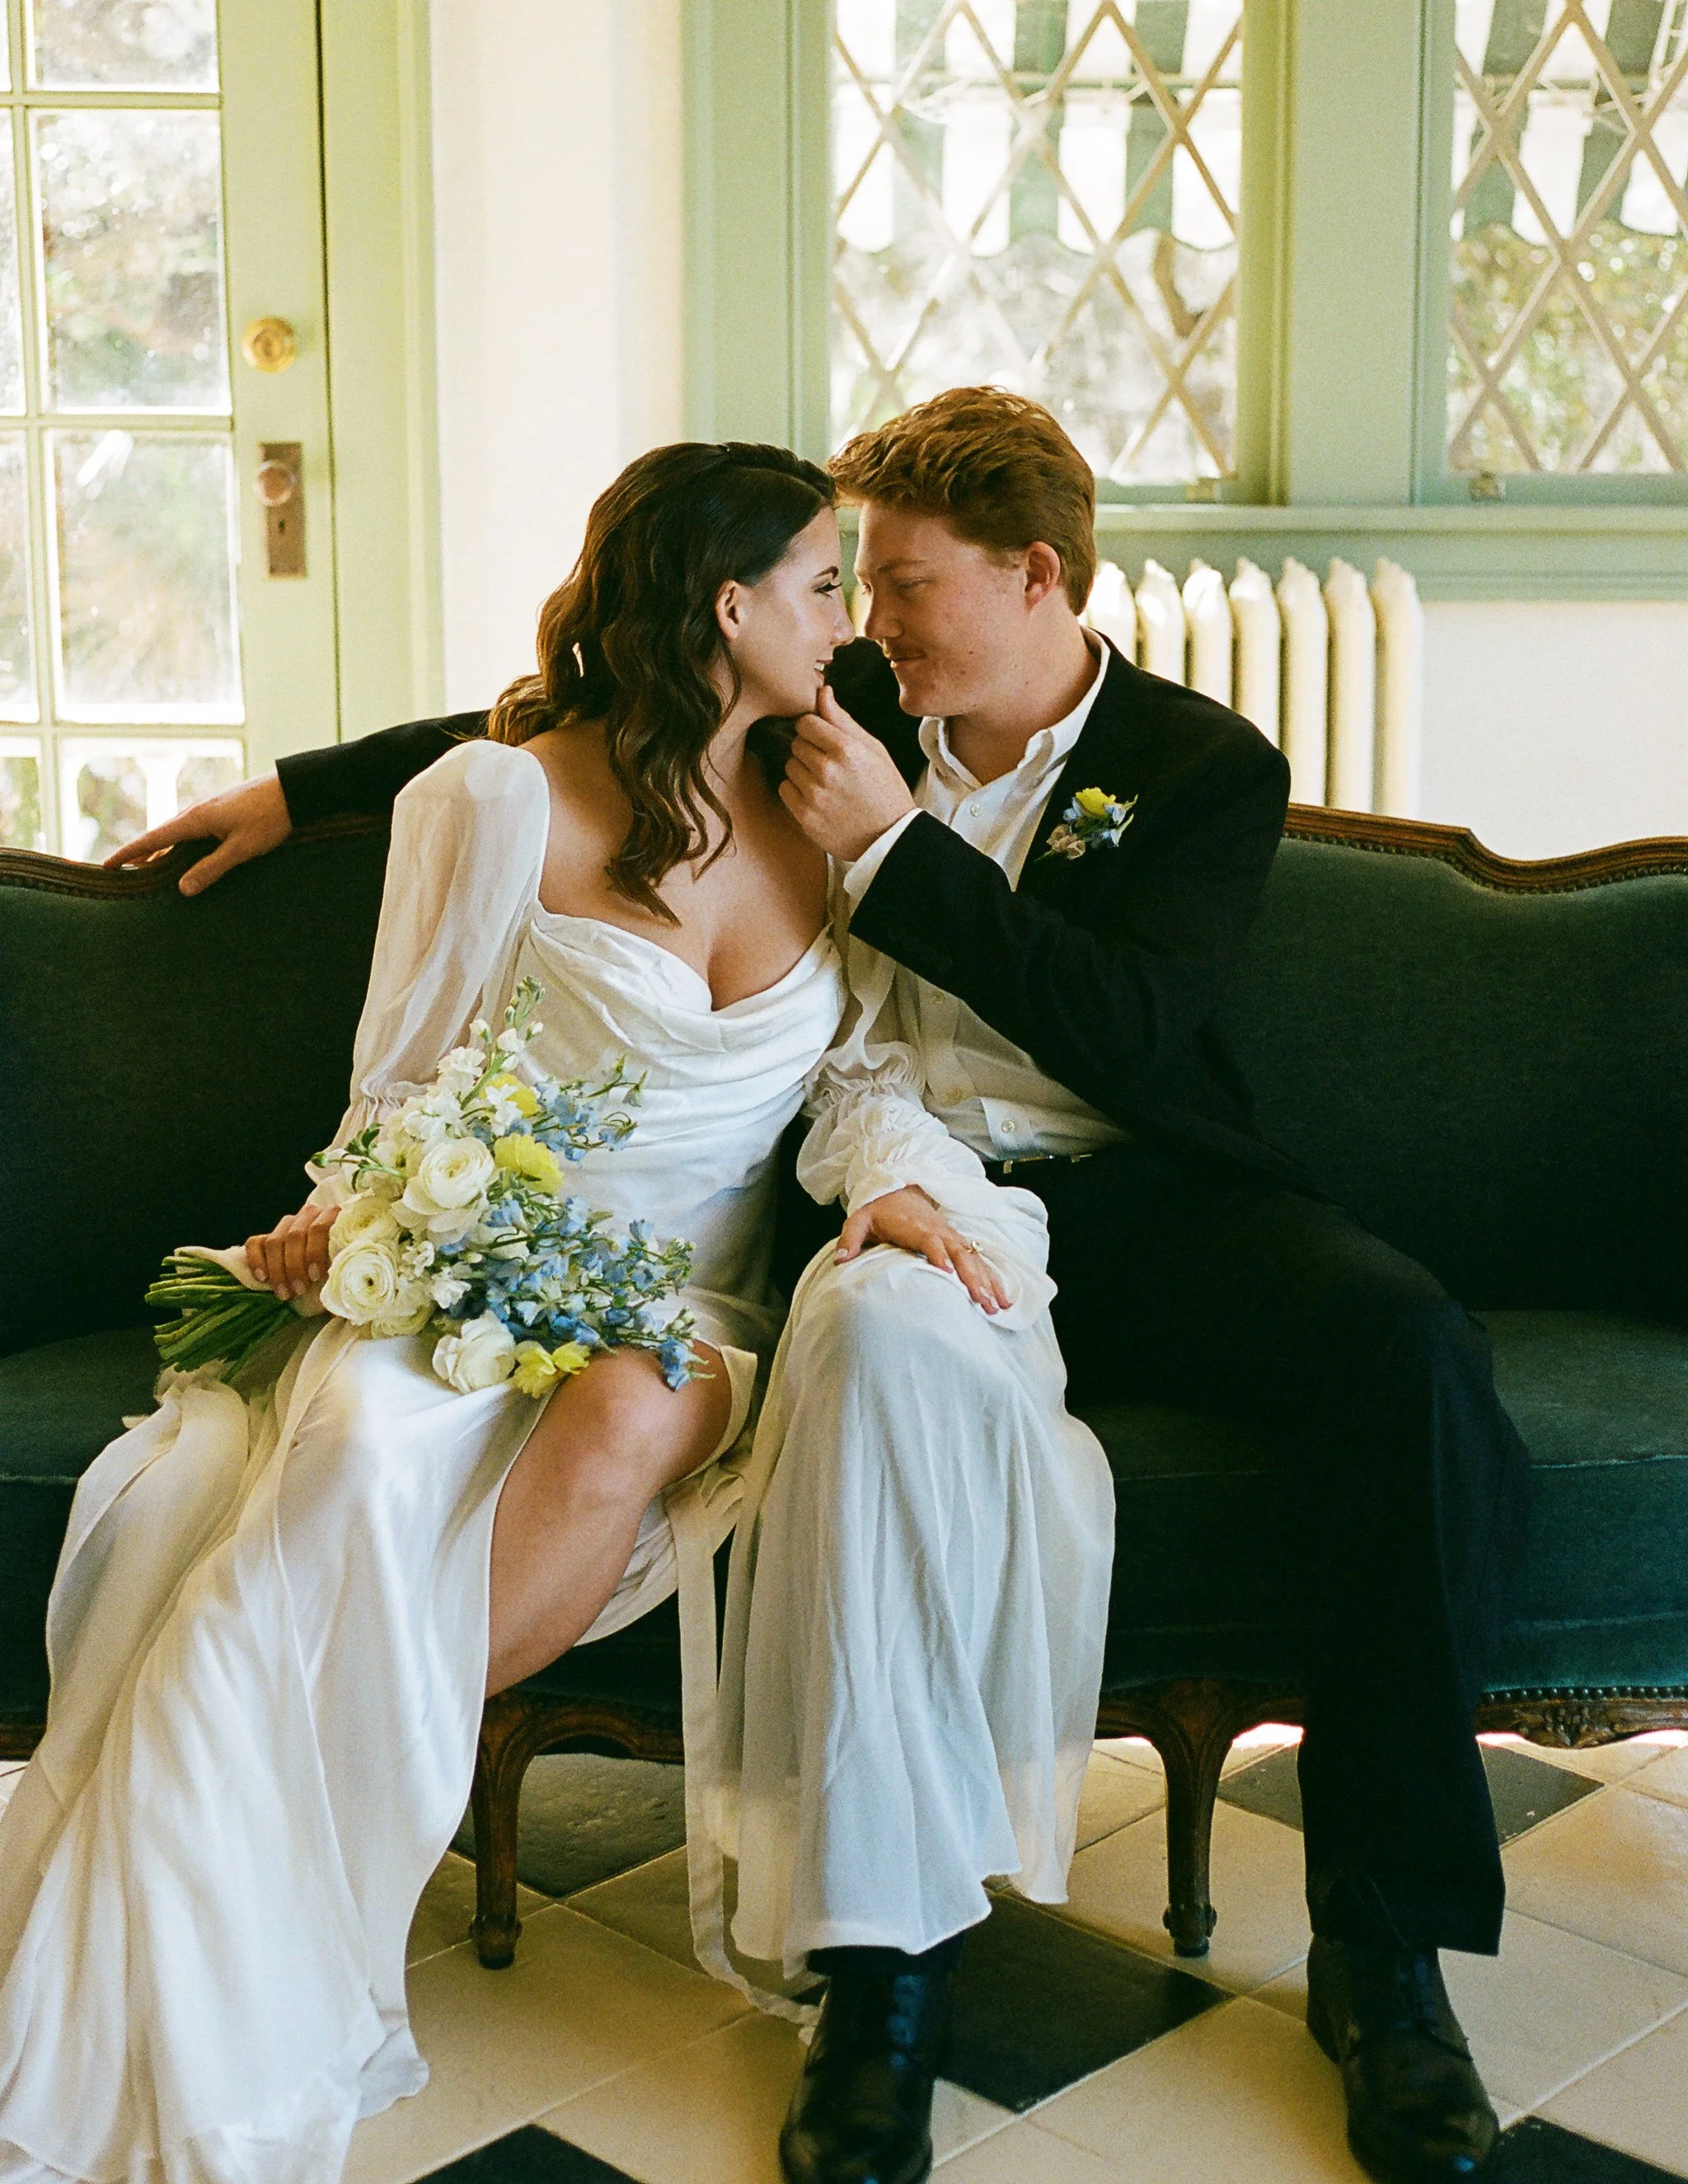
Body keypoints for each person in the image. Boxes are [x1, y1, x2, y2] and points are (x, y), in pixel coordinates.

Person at [130, 387, 1536, 2184]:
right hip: (870, 1186)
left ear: (1037, 576)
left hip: (1139, 1192)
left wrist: (889, 851)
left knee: (1405, 1347)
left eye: (908, 582)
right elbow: (583, 709)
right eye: (852, 581)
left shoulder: (1197, 765)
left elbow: (1119, 1026)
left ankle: (1387, 1950)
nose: (870, 619)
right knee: (866, 1362)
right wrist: (296, 790)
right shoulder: (853, 696)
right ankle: (881, 1973)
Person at [0, 437, 1114, 2184]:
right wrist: (344, 1221)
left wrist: (889, 1171)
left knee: (630, 1392)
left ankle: (279, 1839)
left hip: (693, 1302)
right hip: (481, 1254)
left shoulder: (848, 781)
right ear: (729, 605)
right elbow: (402, 1089)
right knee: (359, 1434)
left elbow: (862, 1063)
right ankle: (232, 1865)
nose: (858, 622)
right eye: (831, 585)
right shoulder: (496, 800)